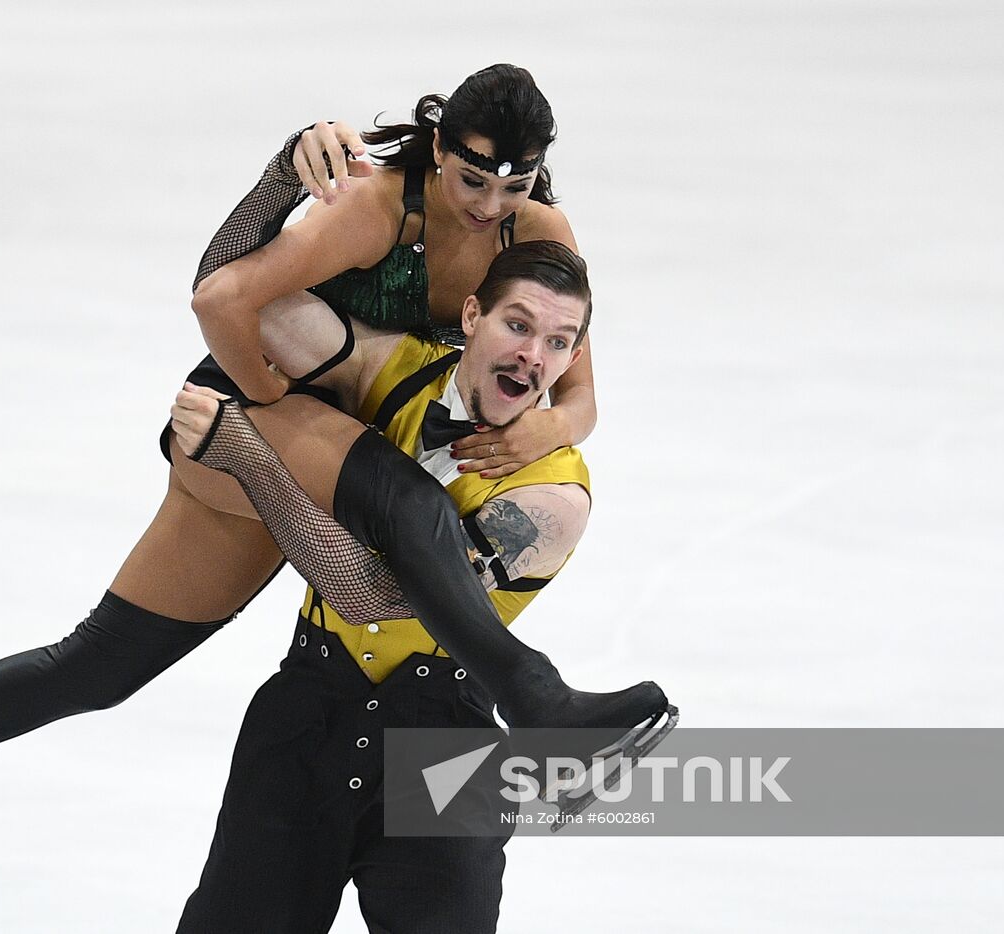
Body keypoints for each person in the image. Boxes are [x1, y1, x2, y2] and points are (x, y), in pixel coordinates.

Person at [0, 65, 659, 925]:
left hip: (337, 422)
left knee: (97, 665)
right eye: (473, 181)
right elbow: (220, 300)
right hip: (264, 403)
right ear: (438, 146)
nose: (493, 205)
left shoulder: (539, 234)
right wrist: (261, 423)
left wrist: (530, 434)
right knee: (400, 514)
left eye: (516, 185)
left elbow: (580, 397)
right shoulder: (377, 206)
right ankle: (538, 701)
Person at [165, 239, 674, 932]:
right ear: (471, 315)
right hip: (304, 716)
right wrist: (305, 182)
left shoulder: (553, 500)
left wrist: (251, 459)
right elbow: (234, 294)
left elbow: (371, 594)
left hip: (445, 754)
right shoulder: (391, 369)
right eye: (518, 325)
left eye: (557, 341)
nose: (532, 356)